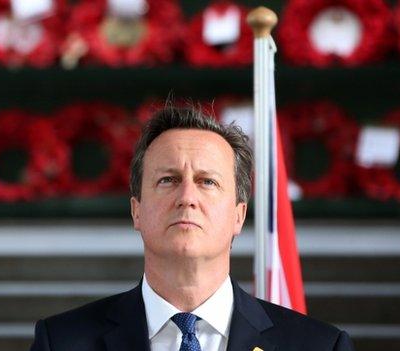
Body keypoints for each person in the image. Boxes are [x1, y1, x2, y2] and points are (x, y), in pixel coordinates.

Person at [30, 104, 355, 351]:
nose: (187, 197)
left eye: (207, 181)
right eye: (168, 180)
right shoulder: (60, 342)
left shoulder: (319, 346)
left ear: (238, 216)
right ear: (136, 211)